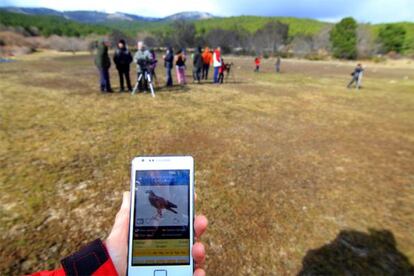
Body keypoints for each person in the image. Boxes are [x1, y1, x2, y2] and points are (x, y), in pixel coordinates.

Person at [30, 192, 208, 276]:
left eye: (150, 194)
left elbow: (164, 204)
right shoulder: (153, 199)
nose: (149, 195)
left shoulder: (155, 199)